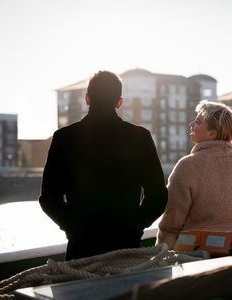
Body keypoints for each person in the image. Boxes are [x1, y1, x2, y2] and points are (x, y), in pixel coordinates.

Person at [40, 71, 167, 260]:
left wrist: (73, 227)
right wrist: (135, 226)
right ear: (119, 102)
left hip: (80, 249)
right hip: (127, 249)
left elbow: (49, 198)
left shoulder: (64, 138)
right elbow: (158, 196)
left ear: (87, 99)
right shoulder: (140, 137)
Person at [156, 100, 232, 249]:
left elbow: (171, 223)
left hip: (193, 252)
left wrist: (159, 256)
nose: (191, 124)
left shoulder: (187, 165)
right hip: (230, 248)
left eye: (198, 122)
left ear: (212, 134)